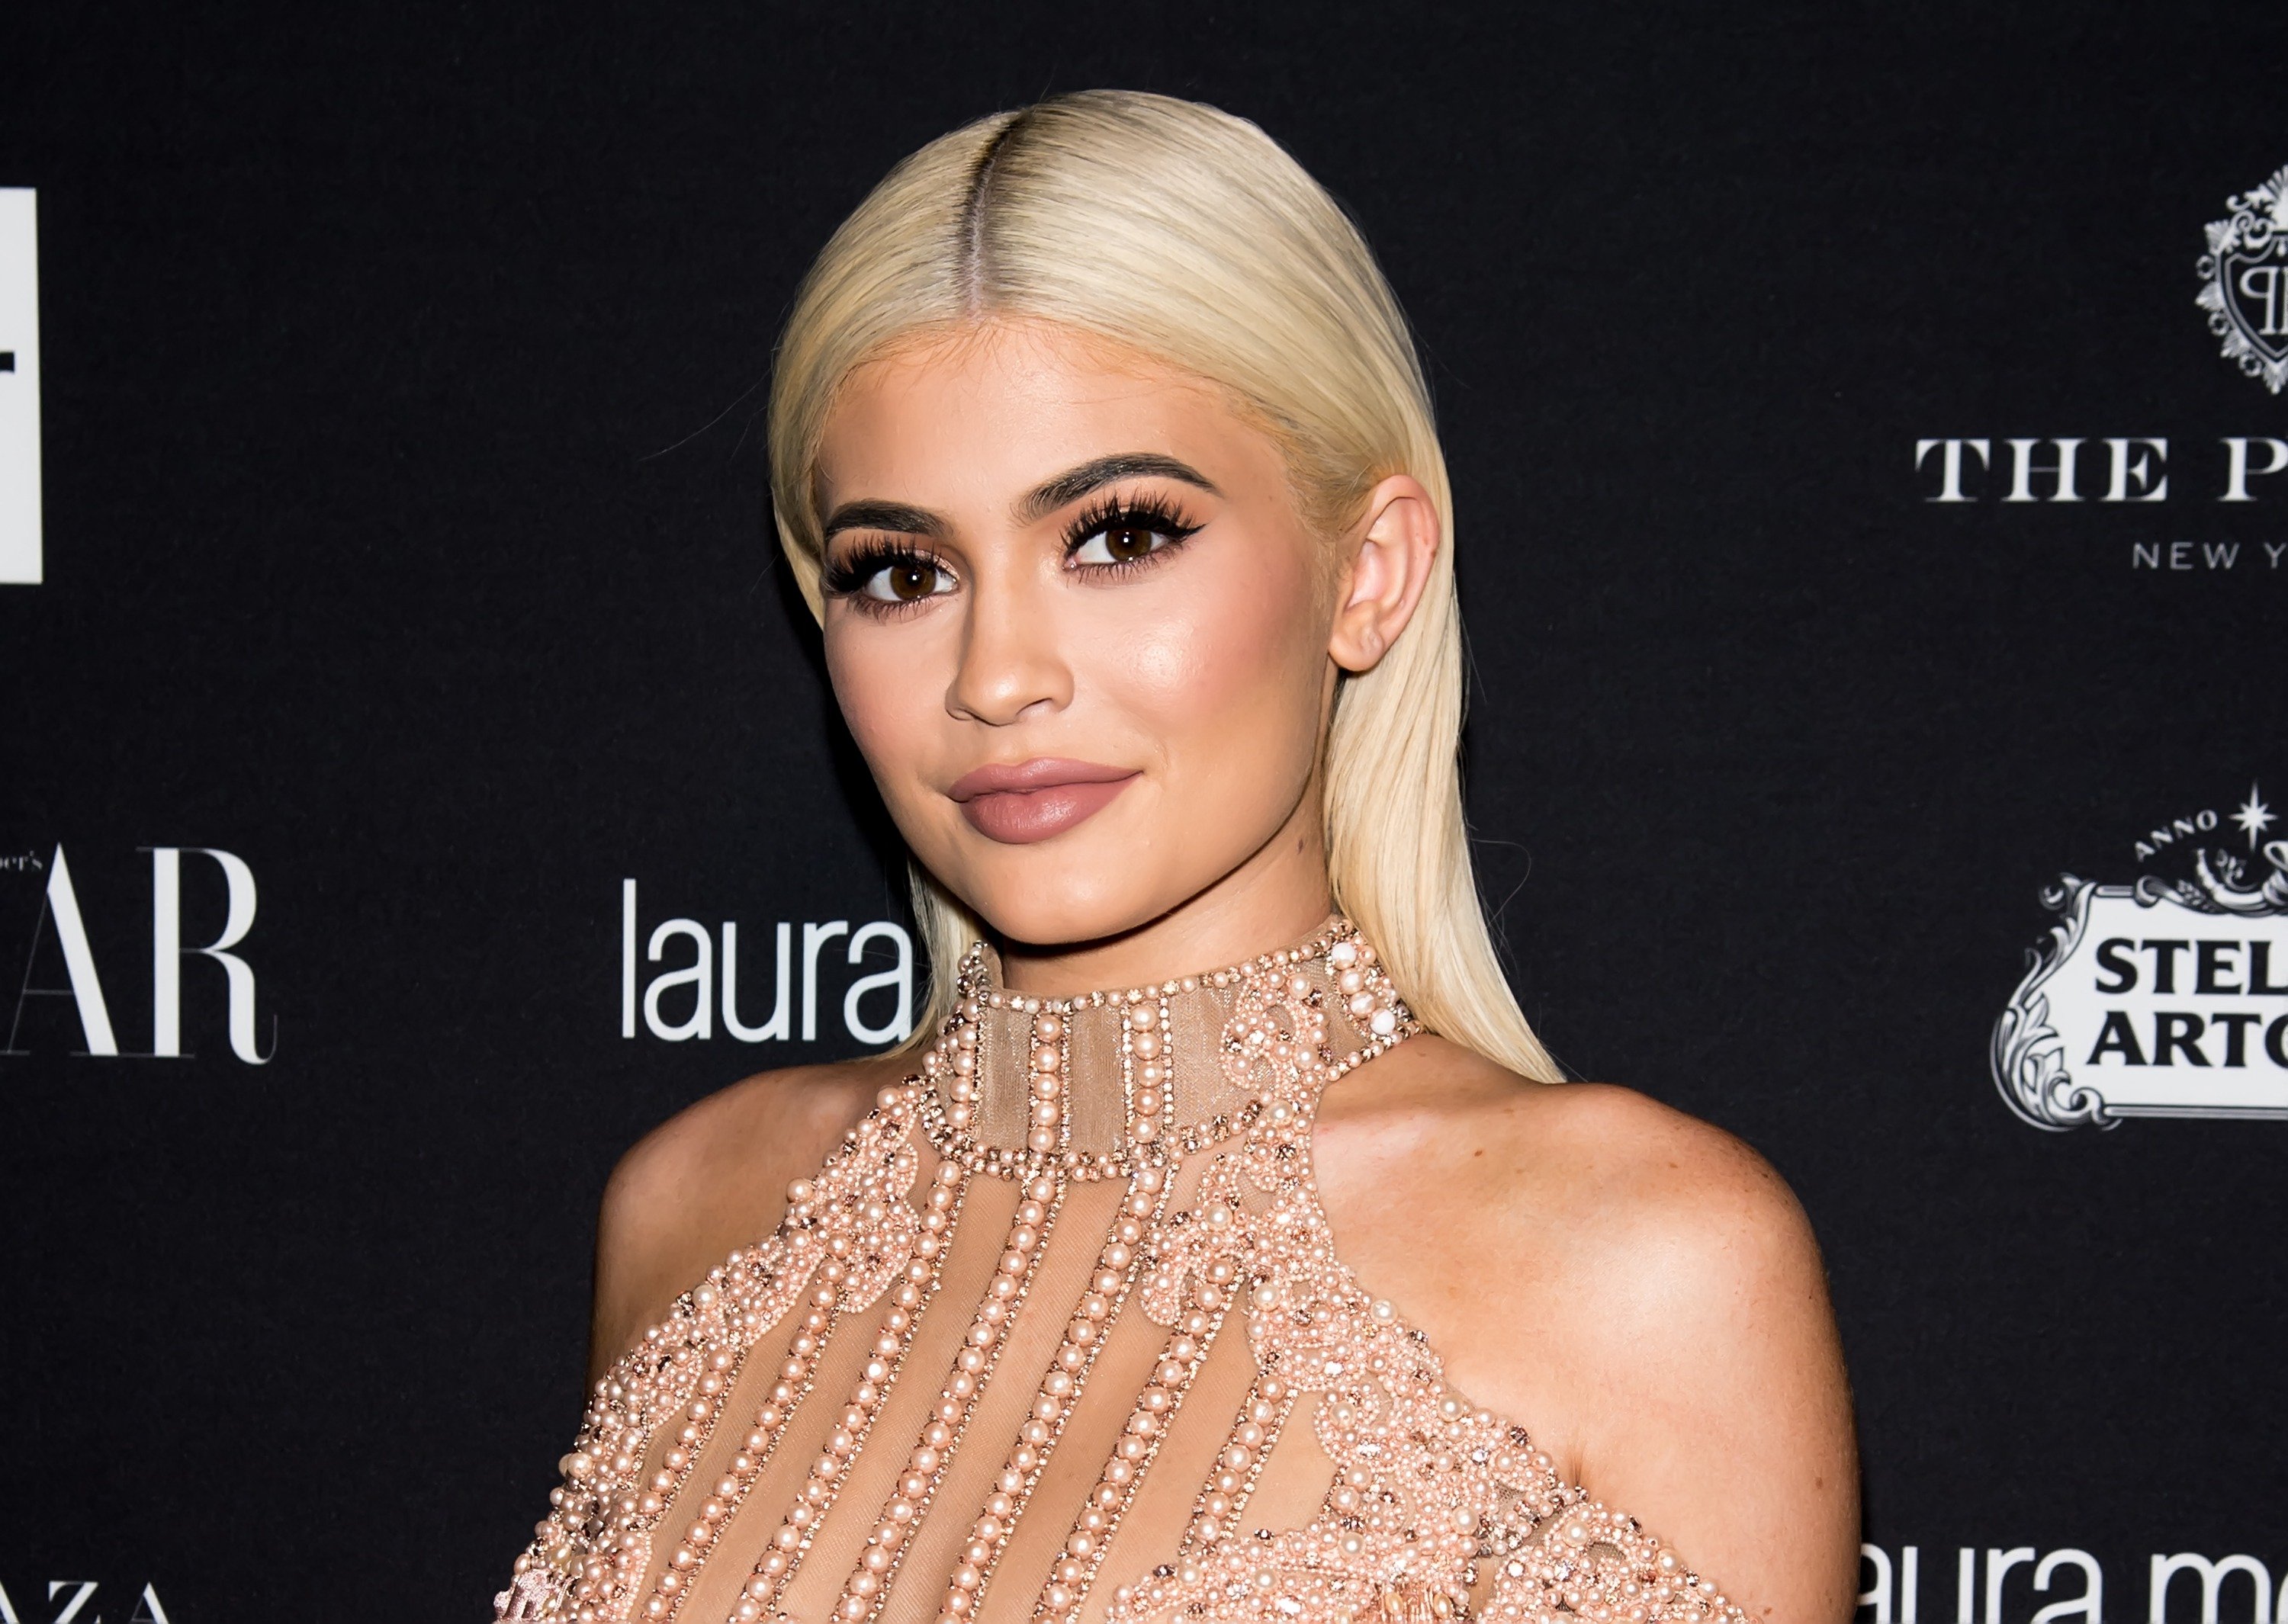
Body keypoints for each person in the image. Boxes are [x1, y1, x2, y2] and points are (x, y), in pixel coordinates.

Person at [498, 90, 1858, 1624]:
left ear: (1371, 572)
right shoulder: (694, 1207)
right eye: (901, 570)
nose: (998, 674)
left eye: (1120, 535)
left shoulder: (1647, 1265)